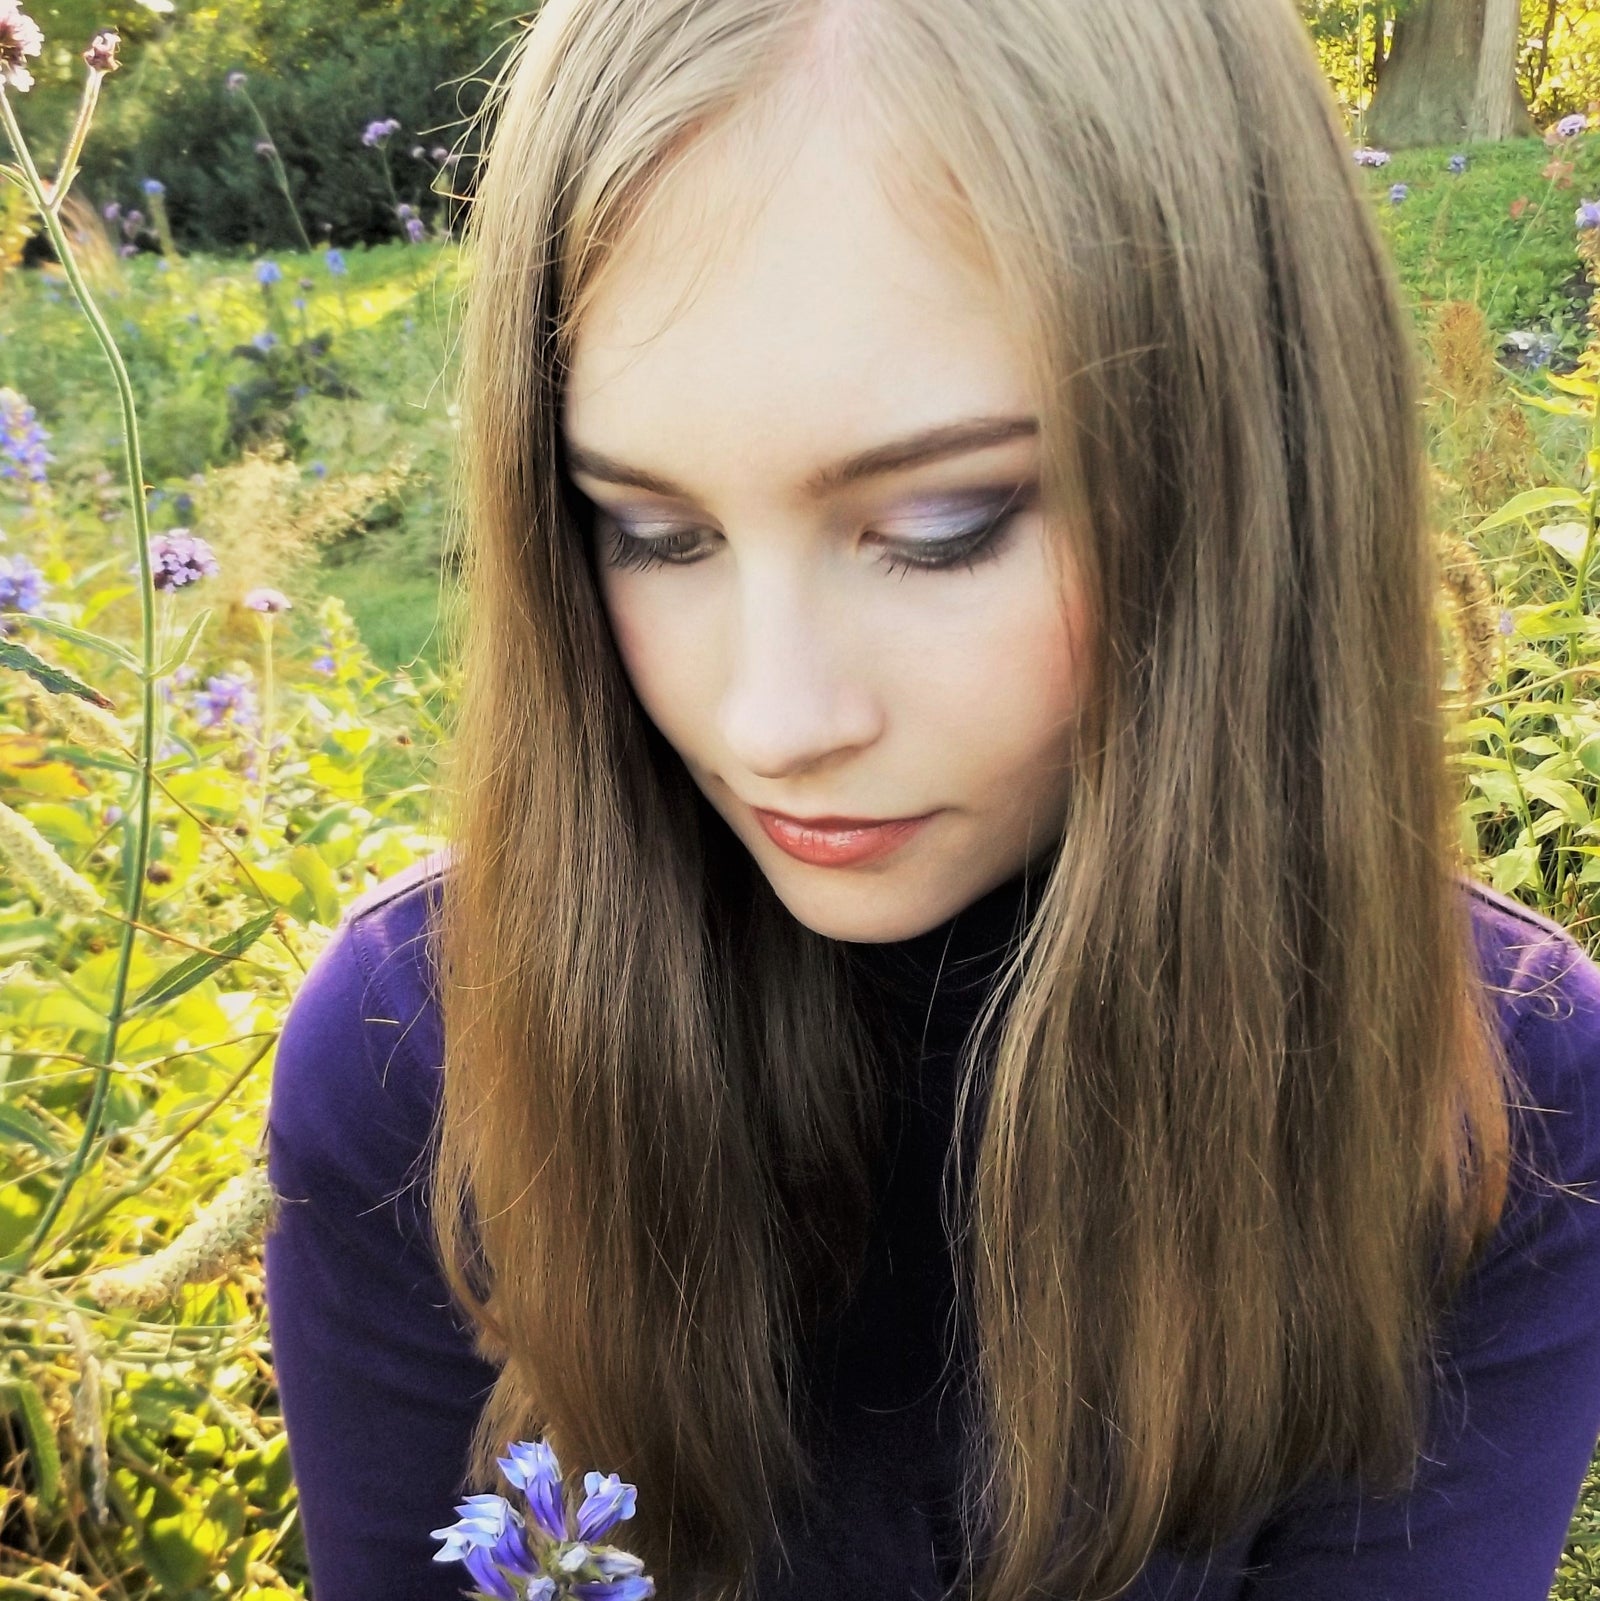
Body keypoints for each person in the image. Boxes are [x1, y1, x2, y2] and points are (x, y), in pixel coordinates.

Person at [263, 0, 1600, 1597]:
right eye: (652, 531)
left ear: (1253, 465)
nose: (772, 719)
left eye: (946, 524)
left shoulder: (1493, 1107)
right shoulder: (424, 1060)